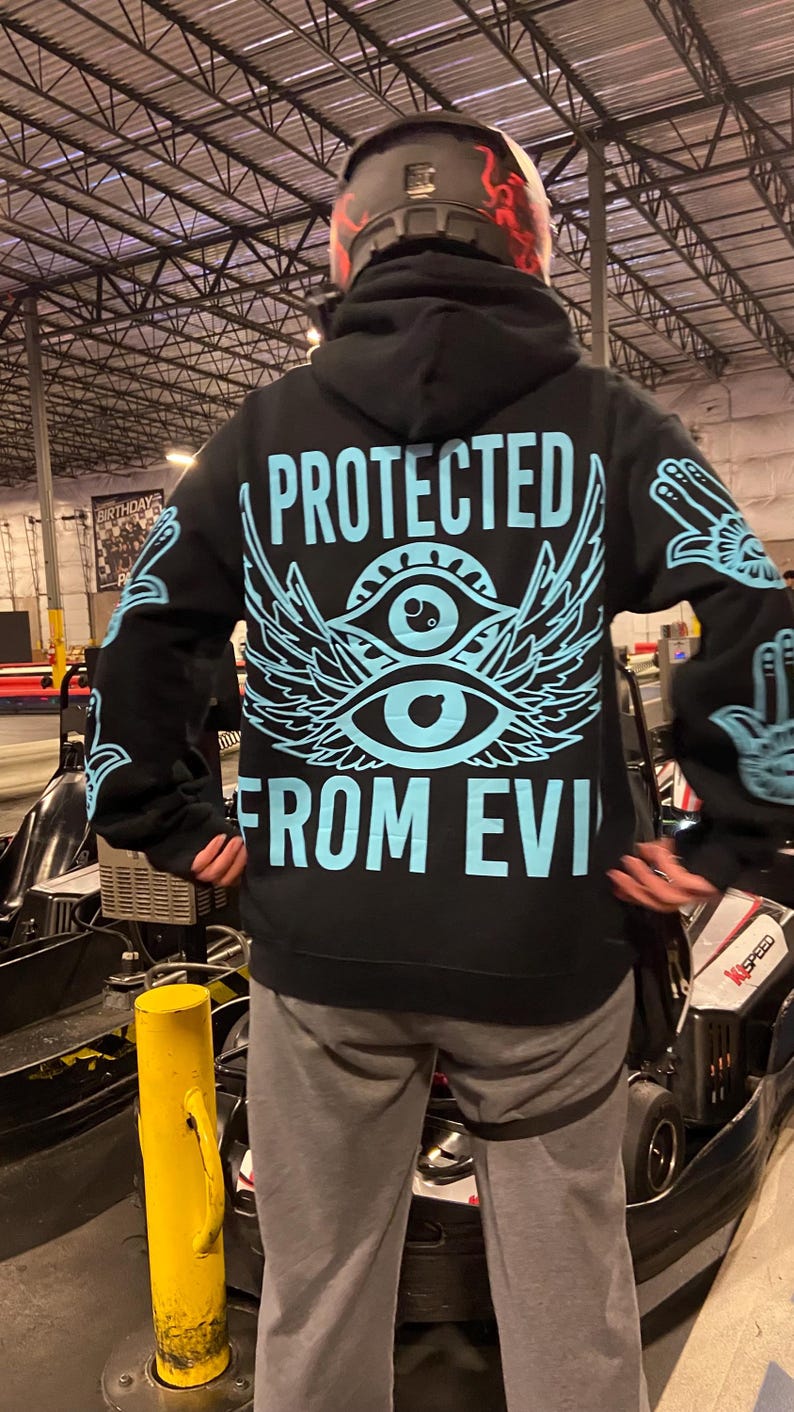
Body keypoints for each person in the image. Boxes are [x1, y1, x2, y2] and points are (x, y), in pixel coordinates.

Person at [86, 114, 794, 1412]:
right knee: (570, 1300)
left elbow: (144, 630)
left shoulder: (261, 437)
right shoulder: (607, 424)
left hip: (324, 934)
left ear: (346, 247)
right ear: (526, 242)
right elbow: (747, 604)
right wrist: (728, 834)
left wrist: (165, 817)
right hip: (542, 935)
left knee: (318, 1292)